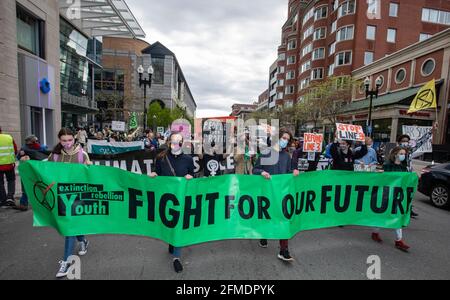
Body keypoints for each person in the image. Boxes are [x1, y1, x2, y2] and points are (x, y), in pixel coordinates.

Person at [49, 128, 92, 278]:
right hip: (61, 196)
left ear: (74, 138)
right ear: (59, 140)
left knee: (69, 227)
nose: (67, 143)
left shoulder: (82, 154)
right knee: (72, 225)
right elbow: (44, 171)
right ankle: (83, 240)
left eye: (69, 140)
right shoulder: (54, 156)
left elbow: (90, 176)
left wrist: (89, 167)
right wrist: (26, 161)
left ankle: (66, 262)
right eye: (63, 140)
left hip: (78, 197)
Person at [149, 132, 194, 273]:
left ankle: (176, 257)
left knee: (178, 225)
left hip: (181, 198)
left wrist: (190, 177)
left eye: (177, 142)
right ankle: (171, 241)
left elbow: (193, 175)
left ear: (182, 143)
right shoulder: (161, 158)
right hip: (166, 198)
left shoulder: (188, 159)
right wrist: (154, 175)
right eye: (172, 142)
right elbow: (157, 173)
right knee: (170, 223)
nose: (174, 145)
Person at [253, 129, 300, 262]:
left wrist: (294, 172)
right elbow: (255, 169)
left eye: (287, 139)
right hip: (267, 193)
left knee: (283, 218)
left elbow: (289, 171)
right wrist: (262, 172)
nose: (285, 141)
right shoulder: (266, 153)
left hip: (282, 193)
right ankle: (264, 235)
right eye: (283, 138)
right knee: (268, 216)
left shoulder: (286, 156)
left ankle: (283, 250)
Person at [371, 146, 411, 252]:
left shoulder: (404, 168)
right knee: (382, 215)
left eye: (404, 154)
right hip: (387, 195)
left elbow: (406, 182)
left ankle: (399, 240)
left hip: (398, 196)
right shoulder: (387, 166)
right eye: (401, 153)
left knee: (397, 216)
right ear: (395, 154)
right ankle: (375, 233)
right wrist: (380, 174)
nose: (403, 156)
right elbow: (382, 179)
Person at [15, 135, 48, 211]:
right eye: (35, 141)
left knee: (27, 187)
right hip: (33, 170)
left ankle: (24, 204)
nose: (36, 142)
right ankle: (29, 204)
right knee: (36, 186)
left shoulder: (25, 148)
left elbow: (18, 158)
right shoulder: (36, 147)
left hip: (29, 171)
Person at [396, 134, 419, 218]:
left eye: (407, 141)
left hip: (408, 176)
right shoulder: (396, 151)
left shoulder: (410, 151)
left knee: (409, 193)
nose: (405, 143)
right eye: (403, 141)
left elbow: (421, 142)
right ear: (399, 142)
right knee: (398, 193)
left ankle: (409, 209)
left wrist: (432, 131)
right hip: (400, 175)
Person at [0, 126, 18, 208]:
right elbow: (15, 149)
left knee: (0, 183)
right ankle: (10, 198)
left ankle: (3, 200)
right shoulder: (9, 137)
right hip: (9, 164)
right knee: (11, 180)